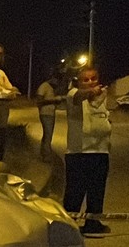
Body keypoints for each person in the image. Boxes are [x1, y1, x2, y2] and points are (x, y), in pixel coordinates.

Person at [62, 66, 112, 236]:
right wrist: (91, 91)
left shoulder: (102, 98)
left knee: (97, 191)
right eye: (86, 80)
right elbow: (79, 96)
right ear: (78, 82)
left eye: (94, 78)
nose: (91, 83)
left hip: (100, 151)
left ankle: (93, 223)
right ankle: (68, 227)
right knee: (75, 193)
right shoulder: (73, 95)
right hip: (79, 153)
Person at [35, 65, 69, 160]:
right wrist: (54, 100)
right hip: (45, 113)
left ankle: (45, 153)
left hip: (50, 113)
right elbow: (39, 101)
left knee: (48, 134)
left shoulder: (51, 87)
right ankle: (46, 155)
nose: (57, 82)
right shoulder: (44, 86)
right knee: (48, 134)